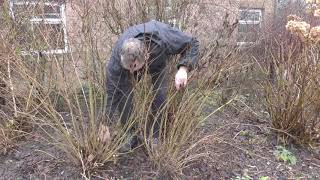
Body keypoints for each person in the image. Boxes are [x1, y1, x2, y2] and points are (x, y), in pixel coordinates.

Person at [105, 20, 199, 149]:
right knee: (123, 94)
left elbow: (192, 43)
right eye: (128, 68)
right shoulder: (118, 58)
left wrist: (184, 68)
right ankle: (131, 135)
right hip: (133, 64)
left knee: (160, 95)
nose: (132, 72)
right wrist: (105, 124)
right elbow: (111, 90)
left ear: (145, 55)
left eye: (134, 67)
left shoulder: (163, 35)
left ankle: (155, 136)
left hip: (158, 64)